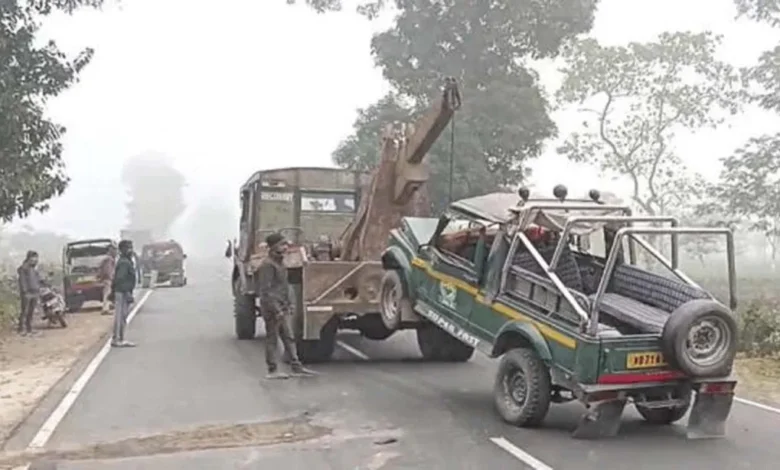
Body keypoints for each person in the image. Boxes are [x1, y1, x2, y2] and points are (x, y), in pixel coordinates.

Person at [256, 232, 316, 379]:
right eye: (282, 244)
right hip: (272, 308)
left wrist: (289, 303)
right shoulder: (267, 265)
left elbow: (284, 286)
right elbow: (266, 291)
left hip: (282, 306)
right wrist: (276, 309)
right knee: (272, 338)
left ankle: (297, 367)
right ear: (274, 247)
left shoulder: (280, 263)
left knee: (288, 337)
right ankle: (272, 370)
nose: (285, 247)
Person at [111, 240, 137, 347]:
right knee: (120, 316)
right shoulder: (124, 263)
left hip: (122, 292)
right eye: (128, 248)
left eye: (131, 247)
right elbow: (120, 279)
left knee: (123, 316)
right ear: (123, 250)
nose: (131, 250)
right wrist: (127, 293)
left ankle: (120, 338)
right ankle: (117, 339)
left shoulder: (125, 261)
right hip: (122, 292)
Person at [16, 250, 41, 337]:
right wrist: (25, 291)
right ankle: (21, 329)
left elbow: (38, 279)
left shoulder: (34, 268)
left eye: (36, 258)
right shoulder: (24, 268)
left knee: (31, 311)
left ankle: (29, 328)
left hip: (35, 292)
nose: (35, 259)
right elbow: (22, 281)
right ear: (28, 258)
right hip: (27, 293)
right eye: (33, 257)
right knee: (25, 311)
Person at [98, 245, 117, 315]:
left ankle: (107, 308)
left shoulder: (106, 258)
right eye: (114, 250)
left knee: (107, 294)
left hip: (106, 279)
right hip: (108, 279)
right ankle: (105, 309)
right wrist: (111, 277)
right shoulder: (109, 259)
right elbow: (108, 270)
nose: (116, 252)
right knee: (107, 294)